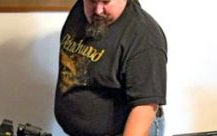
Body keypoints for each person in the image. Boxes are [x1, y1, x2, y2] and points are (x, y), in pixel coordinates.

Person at [54, 0, 167, 135]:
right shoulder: (80, 10)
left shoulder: (144, 37)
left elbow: (144, 108)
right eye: (92, 1)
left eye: (106, 2)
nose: (98, 10)